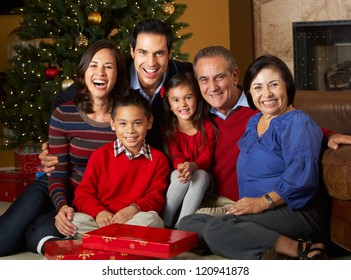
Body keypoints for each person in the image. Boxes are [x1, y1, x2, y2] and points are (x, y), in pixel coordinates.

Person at [178, 54, 329, 260]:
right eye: (258, 87)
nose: (266, 93)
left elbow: (301, 180)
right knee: (188, 224)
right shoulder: (254, 121)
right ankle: (253, 242)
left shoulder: (298, 122)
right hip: (255, 213)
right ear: (249, 91)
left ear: (287, 85)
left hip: (294, 211)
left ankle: (298, 249)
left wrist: (262, 203)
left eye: (273, 84)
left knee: (217, 229)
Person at [0, 39, 128, 256]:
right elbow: (56, 174)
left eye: (108, 67)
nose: (101, 73)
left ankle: (34, 226)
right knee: (3, 241)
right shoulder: (64, 113)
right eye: (94, 65)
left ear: (118, 74)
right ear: (84, 71)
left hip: (88, 200)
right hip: (54, 188)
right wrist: (61, 206)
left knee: (40, 233)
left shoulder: (126, 117)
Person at [188, 46, 351, 216]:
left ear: (234, 76)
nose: (212, 87)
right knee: (189, 224)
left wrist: (329, 135)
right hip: (209, 198)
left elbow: (296, 127)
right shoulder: (197, 113)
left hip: (249, 205)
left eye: (219, 77)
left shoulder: (263, 105)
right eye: (204, 80)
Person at [68, 89, 169, 239]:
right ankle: (122, 241)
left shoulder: (158, 159)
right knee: (75, 221)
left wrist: (134, 209)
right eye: (123, 123)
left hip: (134, 219)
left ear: (149, 123)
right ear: (112, 124)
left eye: (137, 123)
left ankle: (106, 240)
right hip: (102, 221)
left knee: (153, 220)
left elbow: (156, 197)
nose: (130, 130)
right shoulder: (100, 156)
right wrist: (99, 212)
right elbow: (83, 194)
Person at [160, 72, 216, 229]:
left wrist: (193, 166)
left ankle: (182, 224)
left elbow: (206, 158)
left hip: (202, 175)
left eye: (188, 97)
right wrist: (183, 167)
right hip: (179, 173)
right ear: (170, 105)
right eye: (176, 100)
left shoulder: (207, 127)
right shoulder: (168, 129)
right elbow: (175, 156)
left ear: (197, 98)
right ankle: (165, 221)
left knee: (201, 175)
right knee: (179, 175)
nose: (182, 104)